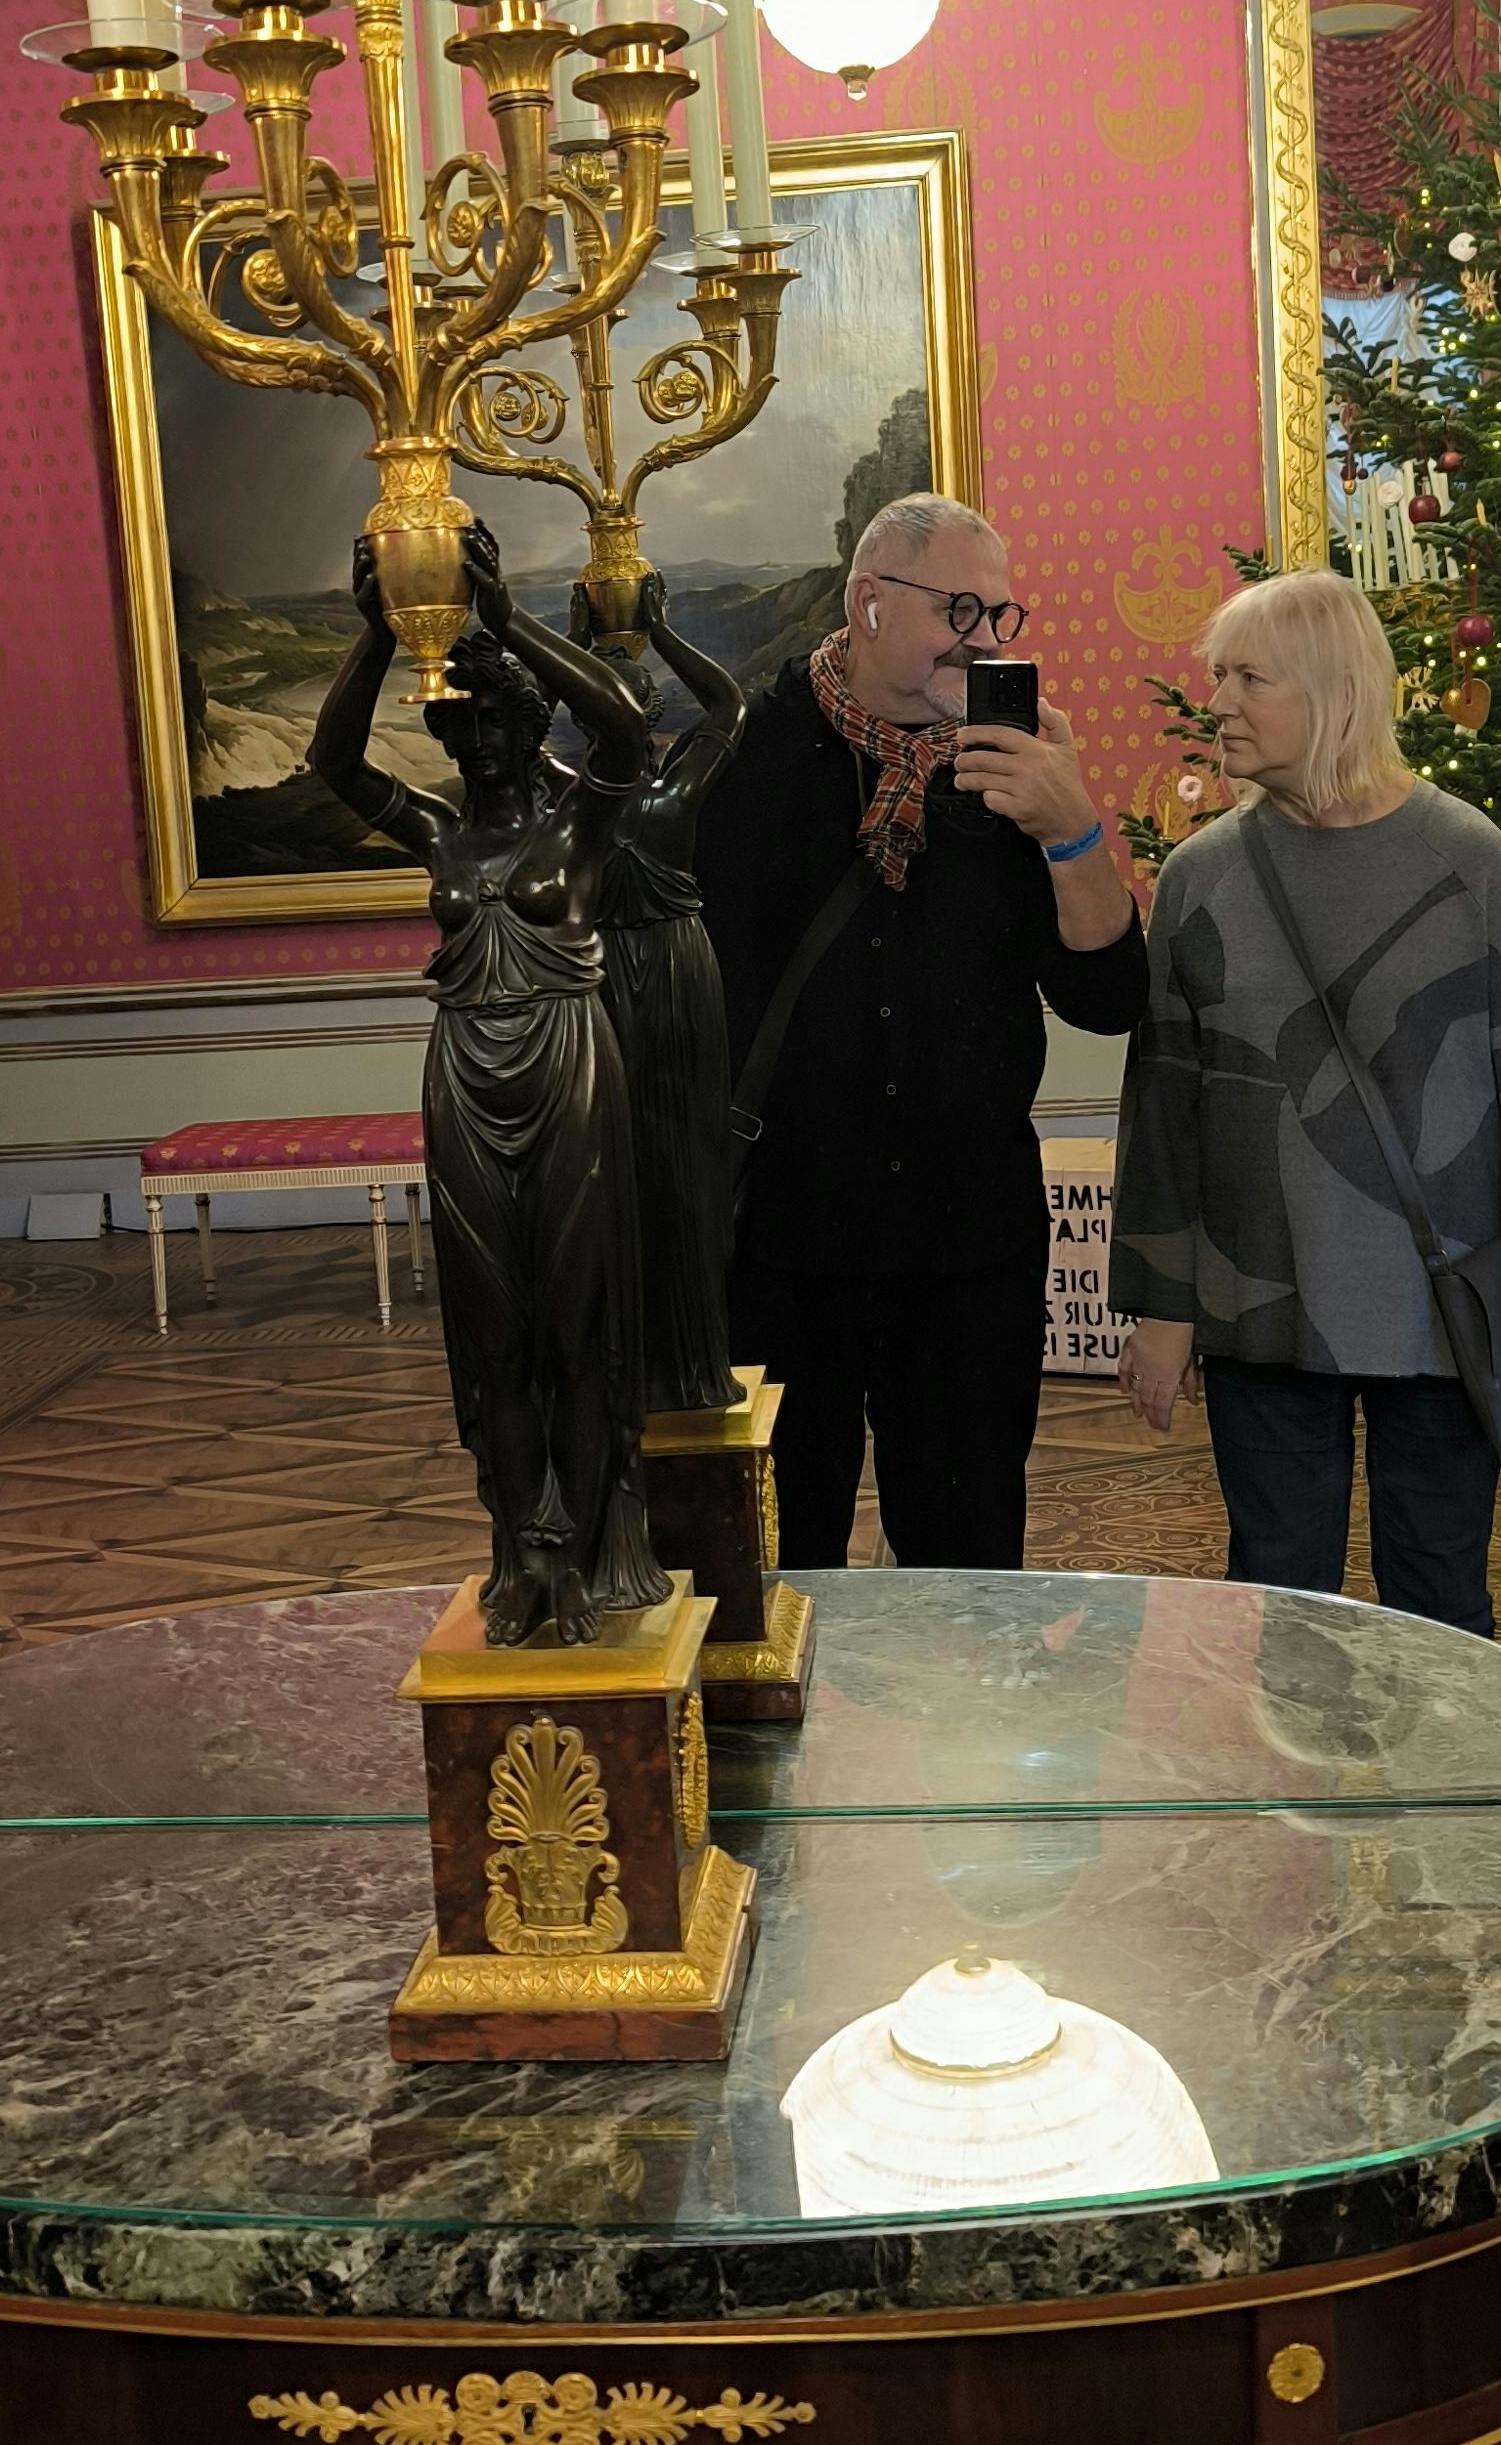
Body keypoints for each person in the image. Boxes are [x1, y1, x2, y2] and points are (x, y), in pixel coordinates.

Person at [1111, 569, 1501, 1635]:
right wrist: (1163, 1310)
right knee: (1283, 1612)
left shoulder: (1470, 862)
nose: (1218, 703)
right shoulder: (1200, 876)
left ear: (1334, 691)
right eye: (1218, 676)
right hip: (1258, 1311)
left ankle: (1439, 1761)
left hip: (1441, 1317)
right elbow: (1165, 1113)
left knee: (1441, 1610)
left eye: (1249, 679)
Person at [692, 490, 1149, 1571]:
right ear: (869, 605)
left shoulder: (1015, 770)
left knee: (969, 1563)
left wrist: (1070, 826)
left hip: (966, 1255)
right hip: (778, 1249)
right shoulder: (739, 760)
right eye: (959, 610)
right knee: (774, 1562)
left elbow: (1110, 996)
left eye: (1000, 614)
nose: (984, 640)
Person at [316, 522, 667, 1646]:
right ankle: (524, 1551)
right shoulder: (438, 833)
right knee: (494, 1330)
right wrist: (379, 633)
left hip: (569, 1066)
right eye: (461, 726)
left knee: (576, 1326)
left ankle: (589, 1551)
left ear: (530, 724)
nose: (479, 744)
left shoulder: (582, 819)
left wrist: (505, 619)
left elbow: (626, 728)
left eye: (498, 723)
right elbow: (333, 764)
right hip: (465, 1073)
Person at [567, 568, 746, 1413]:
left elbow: (728, 708)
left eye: (626, 700)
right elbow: (725, 707)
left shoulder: (668, 788)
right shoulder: (574, 798)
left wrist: (657, 633)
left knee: (687, 1158)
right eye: (598, 703)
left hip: (675, 977)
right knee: (613, 1161)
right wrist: (587, 647)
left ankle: (695, 1360)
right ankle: (634, 1365)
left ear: (647, 712)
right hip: (604, 981)